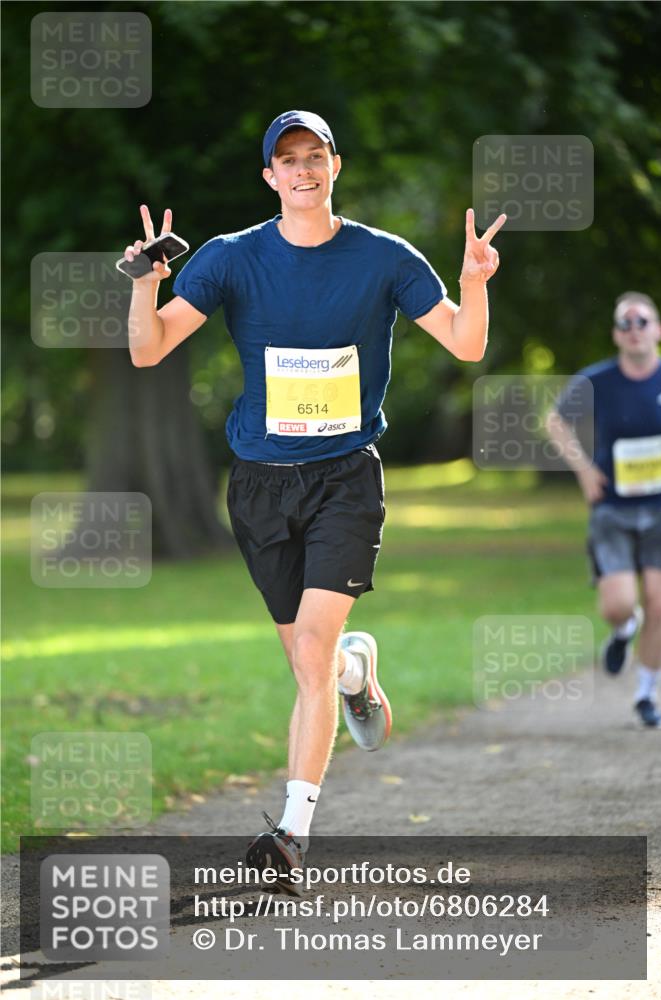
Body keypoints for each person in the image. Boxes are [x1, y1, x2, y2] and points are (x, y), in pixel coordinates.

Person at [126, 110, 505, 888]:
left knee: (308, 649)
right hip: (260, 483)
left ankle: (291, 833)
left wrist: (472, 280)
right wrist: (145, 283)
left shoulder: (384, 258)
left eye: (315, 156)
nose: (302, 170)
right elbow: (148, 347)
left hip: (344, 475)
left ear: (335, 165)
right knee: (311, 663)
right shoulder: (232, 258)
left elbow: (466, 344)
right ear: (269, 176)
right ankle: (353, 676)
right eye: (286, 160)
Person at [546, 292, 661, 728]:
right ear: (617, 335)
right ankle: (622, 629)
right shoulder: (598, 381)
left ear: (658, 330)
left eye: (643, 321)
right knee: (618, 605)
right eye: (625, 323)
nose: (634, 329)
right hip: (613, 510)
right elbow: (555, 421)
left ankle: (646, 696)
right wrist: (583, 469)